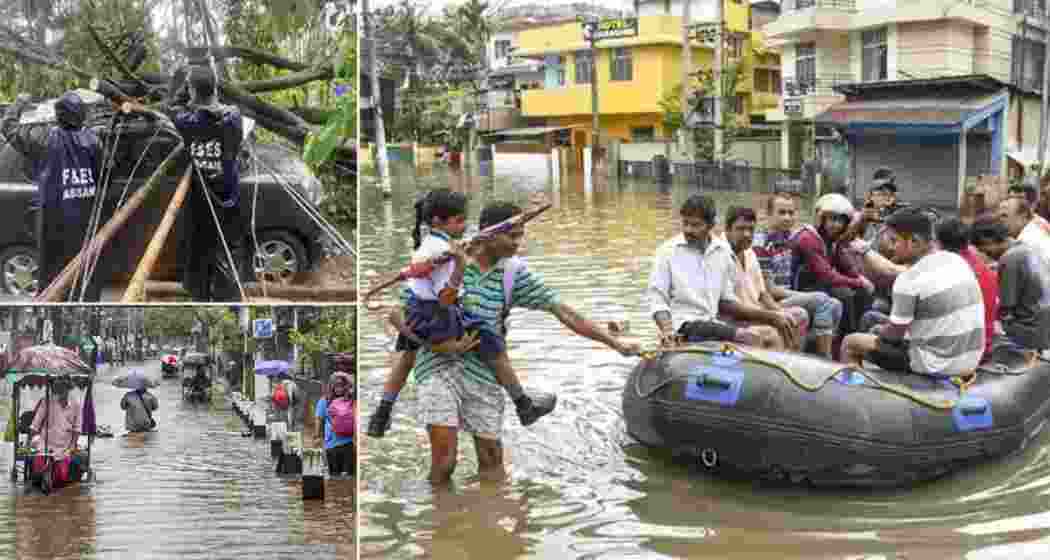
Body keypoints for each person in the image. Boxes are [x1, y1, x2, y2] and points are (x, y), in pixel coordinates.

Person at [383, 201, 637, 484]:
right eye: (511, 236)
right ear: (487, 233)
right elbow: (401, 315)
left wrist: (615, 343)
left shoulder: (512, 274)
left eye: (520, 236)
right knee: (445, 462)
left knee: (492, 462)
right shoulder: (444, 261)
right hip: (437, 368)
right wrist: (438, 347)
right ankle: (440, 510)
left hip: (483, 374)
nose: (517, 243)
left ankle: (491, 509)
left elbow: (564, 312)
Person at [367, 189, 556, 438]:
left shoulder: (433, 244)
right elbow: (446, 299)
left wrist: (532, 211)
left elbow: (484, 236)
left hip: (417, 311)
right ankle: (523, 404)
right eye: (459, 220)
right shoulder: (441, 252)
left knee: (407, 354)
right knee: (492, 343)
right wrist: (459, 265)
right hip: (437, 315)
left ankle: (382, 411)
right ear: (438, 221)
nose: (465, 225)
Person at [122, 63, 246, 300]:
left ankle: (202, 297)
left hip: (201, 200)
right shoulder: (234, 118)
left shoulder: (186, 122)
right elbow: (223, 111)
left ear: (191, 91)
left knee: (200, 255)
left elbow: (170, 107)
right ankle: (228, 300)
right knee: (226, 255)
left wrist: (186, 95)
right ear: (215, 89)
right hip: (228, 199)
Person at [842, 208, 985, 374]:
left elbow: (892, 337)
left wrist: (882, 332)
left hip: (936, 364)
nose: (891, 247)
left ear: (914, 241)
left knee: (851, 343)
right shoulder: (957, 261)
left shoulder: (909, 280)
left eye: (894, 240)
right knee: (879, 331)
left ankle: (854, 388)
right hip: (970, 360)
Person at [647, 194, 794, 347]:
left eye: (695, 225)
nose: (688, 230)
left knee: (770, 335)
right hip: (683, 325)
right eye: (685, 223)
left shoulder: (722, 251)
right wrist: (667, 330)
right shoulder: (667, 251)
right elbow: (657, 298)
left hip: (712, 324)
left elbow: (726, 301)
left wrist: (771, 317)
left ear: (711, 225)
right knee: (748, 338)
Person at [2, 91, 102, 299]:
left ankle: (53, 308)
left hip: (53, 223)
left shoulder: (45, 139)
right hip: (86, 223)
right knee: (84, 274)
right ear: (81, 114)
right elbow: (105, 173)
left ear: (59, 115)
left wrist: (19, 103)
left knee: (53, 275)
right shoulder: (94, 142)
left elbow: (9, 127)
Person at [752, 191, 843, 358]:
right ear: (769, 215)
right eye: (781, 213)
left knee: (836, 304)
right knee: (822, 300)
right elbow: (768, 290)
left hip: (786, 296)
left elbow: (820, 235)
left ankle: (814, 353)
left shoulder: (789, 238)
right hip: (769, 302)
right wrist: (804, 295)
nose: (787, 218)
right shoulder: (762, 244)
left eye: (791, 213)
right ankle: (825, 358)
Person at [721, 206, 809, 351]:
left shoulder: (749, 252)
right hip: (735, 319)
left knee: (798, 315)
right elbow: (727, 307)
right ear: (727, 230)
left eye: (751, 229)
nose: (747, 234)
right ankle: (779, 359)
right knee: (771, 331)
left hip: (756, 312)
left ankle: (790, 359)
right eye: (741, 229)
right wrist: (771, 316)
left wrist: (779, 311)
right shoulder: (720, 254)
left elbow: (762, 293)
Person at [971, 217, 1050, 350]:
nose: (987, 256)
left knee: (985, 326)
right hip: (1044, 324)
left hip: (1031, 333)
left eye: (985, 250)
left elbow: (1006, 307)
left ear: (988, 240)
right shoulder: (1027, 247)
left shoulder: (1009, 259)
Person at [935, 218, 999, 361]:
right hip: (983, 346)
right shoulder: (982, 265)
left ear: (938, 243)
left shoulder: (946, 271)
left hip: (960, 354)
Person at [314, 371, 356, 477]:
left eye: (341, 385)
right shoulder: (351, 400)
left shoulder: (324, 400)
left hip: (331, 444)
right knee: (348, 476)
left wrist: (317, 436)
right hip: (348, 443)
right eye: (337, 386)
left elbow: (318, 419)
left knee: (334, 476)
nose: (339, 388)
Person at [30, 375, 81, 453]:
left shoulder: (76, 404)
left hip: (65, 446)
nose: (60, 392)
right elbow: (35, 425)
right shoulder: (47, 401)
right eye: (58, 389)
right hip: (45, 445)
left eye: (63, 388)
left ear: (68, 389)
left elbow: (77, 428)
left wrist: (72, 446)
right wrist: (30, 442)